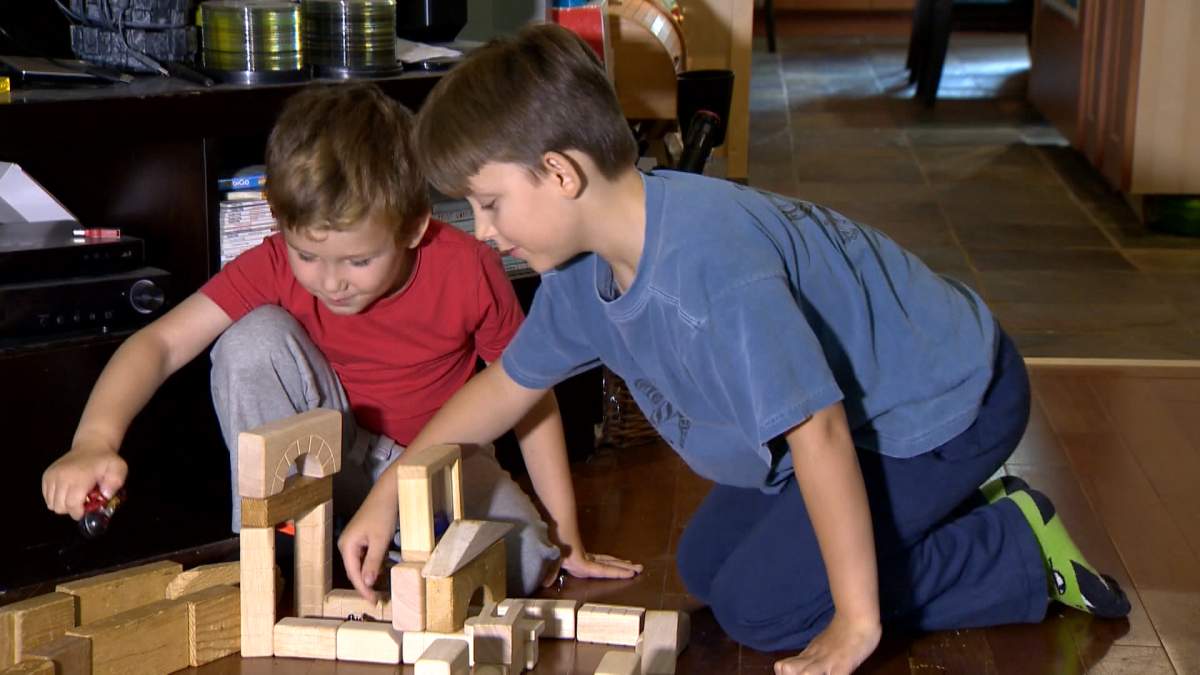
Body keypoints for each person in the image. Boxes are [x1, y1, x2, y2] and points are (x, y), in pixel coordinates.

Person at [336, 24, 1131, 674]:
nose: (483, 230)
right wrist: (389, 488)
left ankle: (1013, 547)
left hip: (950, 402)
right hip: (865, 413)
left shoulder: (710, 273)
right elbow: (503, 387)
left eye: (488, 202)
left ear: (558, 173)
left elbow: (815, 431)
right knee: (711, 566)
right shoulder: (583, 266)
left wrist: (858, 622)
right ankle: (928, 517)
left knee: (768, 607)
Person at [40, 80, 629, 596]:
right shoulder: (272, 263)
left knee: (527, 563)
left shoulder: (469, 267)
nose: (329, 281)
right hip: (322, 459)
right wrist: (94, 438)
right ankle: (281, 547)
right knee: (250, 340)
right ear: (278, 221)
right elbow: (159, 344)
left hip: (437, 461)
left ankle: (381, 553)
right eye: (307, 255)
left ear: (415, 226)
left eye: (358, 260)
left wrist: (565, 534)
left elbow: (529, 398)